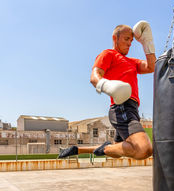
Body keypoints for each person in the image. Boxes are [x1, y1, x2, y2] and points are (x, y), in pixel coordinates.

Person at [58, 21, 156, 159]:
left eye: (132, 41)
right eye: (126, 39)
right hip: (122, 107)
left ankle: (77, 149)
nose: (129, 43)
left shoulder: (132, 62)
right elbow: (94, 77)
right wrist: (109, 86)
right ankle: (105, 148)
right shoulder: (108, 54)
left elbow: (152, 67)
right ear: (115, 38)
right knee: (144, 149)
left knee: (117, 150)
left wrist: (146, 42)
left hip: (132, 109)